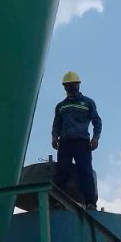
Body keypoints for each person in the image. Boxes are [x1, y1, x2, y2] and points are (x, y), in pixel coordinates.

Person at [51, 71, 102, 208]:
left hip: (82, 143)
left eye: (73, 84)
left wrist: (95, 138)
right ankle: (56, 201)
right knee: (61, 172)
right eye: (68, 85)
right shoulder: (61, 106)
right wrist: (54, 137)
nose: (71, 87)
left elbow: (97, 122)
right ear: (64, 87)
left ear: (78, 85)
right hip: (65, 143)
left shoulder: (88, 103)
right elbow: (56, 124)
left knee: (85, 172)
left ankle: (90, 203)